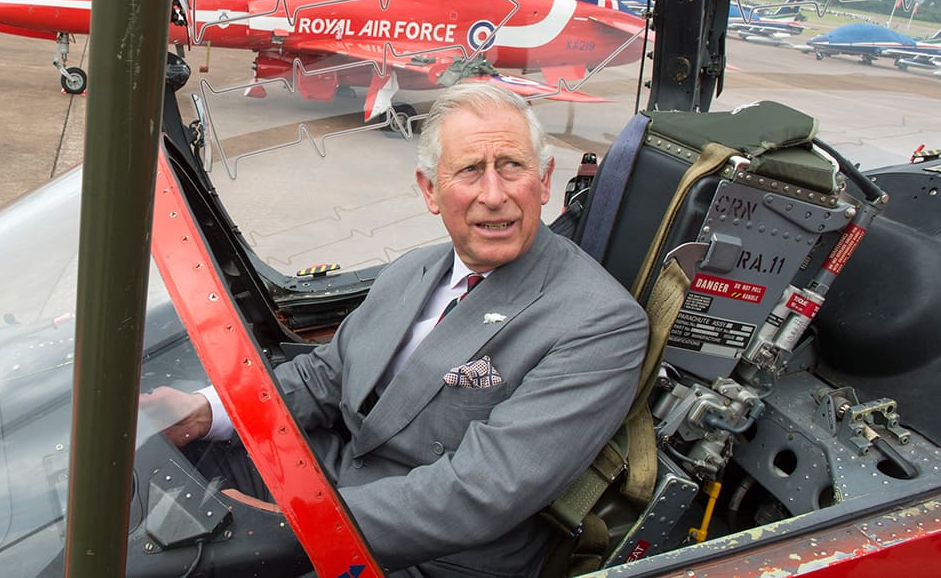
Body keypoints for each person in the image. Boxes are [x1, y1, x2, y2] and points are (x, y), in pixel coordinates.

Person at [142, 82, 649, 577]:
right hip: (329, 478)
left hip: (430, 552)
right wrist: (207, 412)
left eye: (512, 166)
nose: (494, 194)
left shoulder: (599, 322)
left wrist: (290, 525)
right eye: (470, 170)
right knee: (141, 473)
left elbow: (481, 491)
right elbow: (325, 376)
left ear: (544, 180)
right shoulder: (415, 269)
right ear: (430, 190)